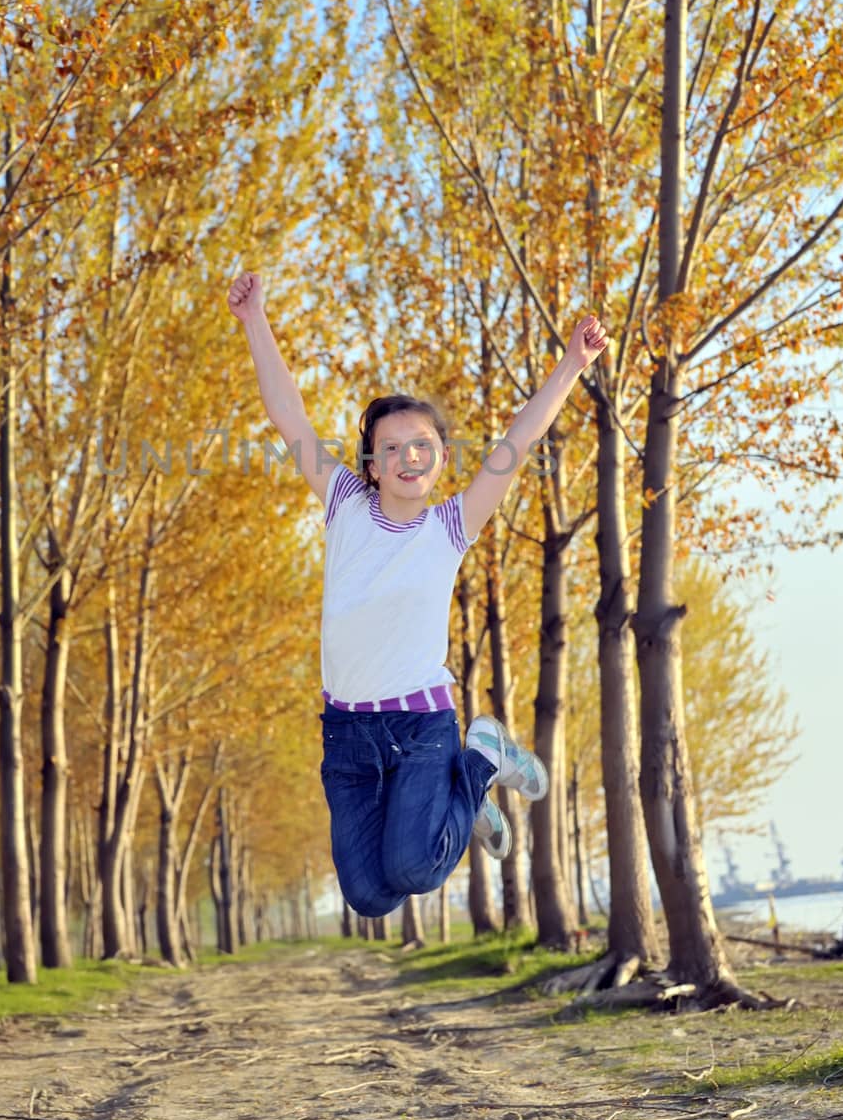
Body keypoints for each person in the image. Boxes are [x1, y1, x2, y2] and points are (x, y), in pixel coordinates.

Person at [227, 269, 608, 919]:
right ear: (369, 464)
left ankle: (478, 760)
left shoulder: (449, 526)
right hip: (346, 731)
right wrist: (254, 321)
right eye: (391, 447)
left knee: (414, 866)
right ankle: (475, 777)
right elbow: (287, 413)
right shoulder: (344, 503)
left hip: (419, 726)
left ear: (439, 458)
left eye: (422, 446)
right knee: (370, 896)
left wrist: (572, 363)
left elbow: (519, 443)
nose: (409, 456)